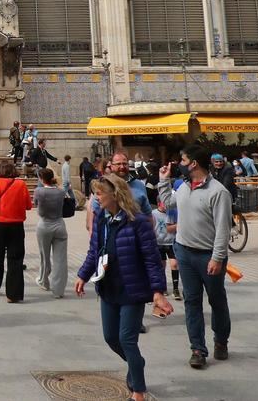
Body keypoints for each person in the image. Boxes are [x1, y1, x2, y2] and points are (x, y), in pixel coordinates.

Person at [75, 174, 172, 401]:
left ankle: (138, 391)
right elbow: (94, 251)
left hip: (132, 289)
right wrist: (82, 275)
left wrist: (157, 292)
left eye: (100, 193)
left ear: (115, 195)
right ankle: (136, 362)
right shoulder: (101, 218)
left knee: (127, 338)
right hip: (108, 286)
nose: (96, 198)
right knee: (111, 337)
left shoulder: (137, 222)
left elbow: (152, 258)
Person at [158, 146, 232, 370]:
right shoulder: (183, 186)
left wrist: (217, 257)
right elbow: (167, 203)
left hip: (209, 255)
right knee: (191, 302)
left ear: (194, 164)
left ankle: (221, 340)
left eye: (183, 159)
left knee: (216, 300)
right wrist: (163, 181)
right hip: (185, 252)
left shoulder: (218, 192)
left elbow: (223, 229)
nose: (179, 162)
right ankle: (197, 348)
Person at [0, 160, 32, 303]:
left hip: (0, 224)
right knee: (16, 259)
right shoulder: (21, 184)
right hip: (17, 225)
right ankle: (13, 294)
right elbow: (28, 205)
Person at [34, 168, 69, 297]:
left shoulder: (38, 191)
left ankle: (44, 281)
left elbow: (36, 205)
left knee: (45, 256)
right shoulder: (60, 191)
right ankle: (58, 290)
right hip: (59, 224)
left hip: (44, 224)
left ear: (41, 178)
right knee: (60, 259)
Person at [153, 200, 180, 300]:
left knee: (174, 264)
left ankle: (176, 289)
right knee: (162, 265)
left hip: (171, 242)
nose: (166, 206)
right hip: (159, 243)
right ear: (159, 203)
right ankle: (163, 287)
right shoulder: (154, 213)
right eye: (164, 203)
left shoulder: (172, 212)